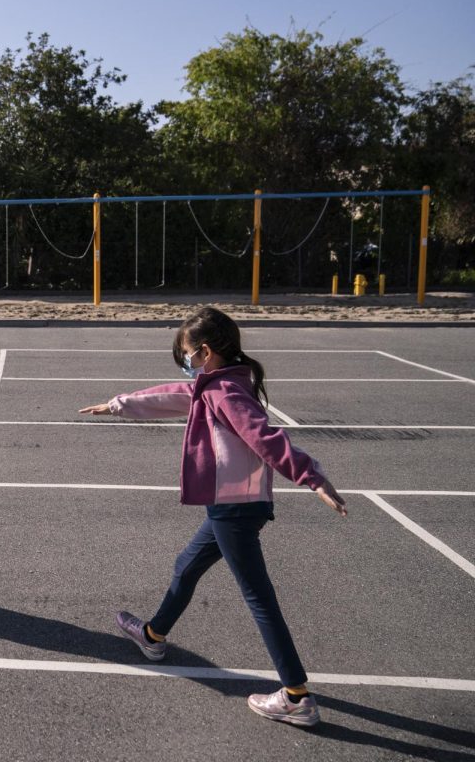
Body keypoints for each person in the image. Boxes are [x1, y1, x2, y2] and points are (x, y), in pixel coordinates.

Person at [79, 306, 347, 728]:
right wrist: (118, 405)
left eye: (187, 353)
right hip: (233, 506)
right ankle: (152, 636)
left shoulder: (226, 393)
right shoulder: (218, 385)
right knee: (187, 565)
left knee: (259, 597)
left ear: (205, 353)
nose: (185, 363)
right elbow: (173, 395)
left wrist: (310, 476)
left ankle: (296, 695)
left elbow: (266, 436)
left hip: (234, 507)